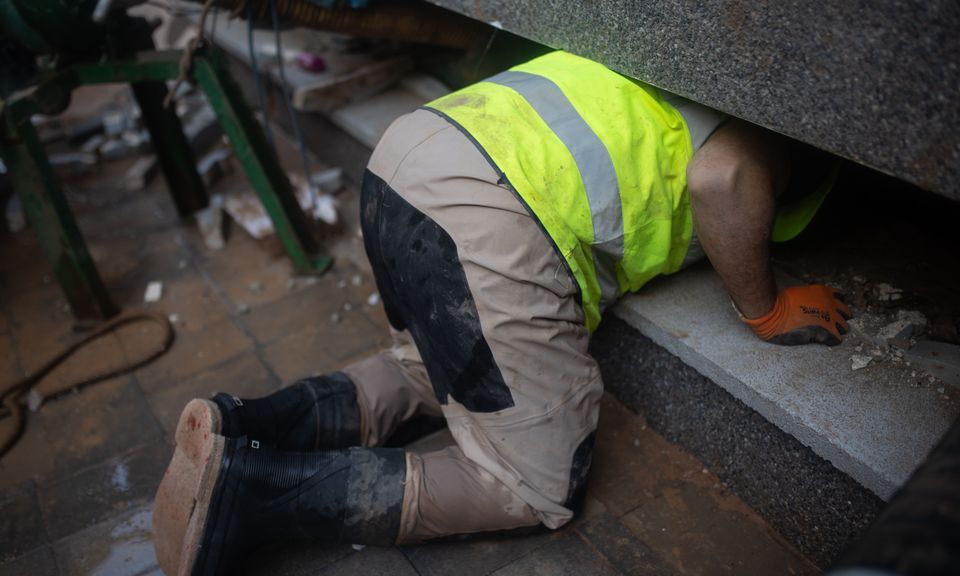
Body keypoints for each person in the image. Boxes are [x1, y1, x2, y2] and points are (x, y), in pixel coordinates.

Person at [151, 50, 851, 576]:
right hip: (484, 212)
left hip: (404, 160)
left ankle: (243, 424)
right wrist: (764, 308)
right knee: (533, 486)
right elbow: (722, 178)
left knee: (431, 370)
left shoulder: (677, 67)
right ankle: (250, 494)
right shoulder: (776, 123)